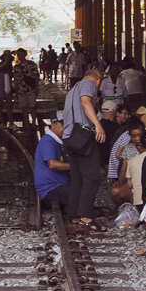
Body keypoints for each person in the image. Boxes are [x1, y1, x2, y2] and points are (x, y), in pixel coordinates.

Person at [60, 59, 106, 233]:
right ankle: (86, 218)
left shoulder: (73, 89)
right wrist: (98, 125)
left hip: (69, 137)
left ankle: (74, 215)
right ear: (97, 79)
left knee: (78, 177)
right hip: (82, 137)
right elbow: (86, 102)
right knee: (92, 177)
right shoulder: (88, 83)